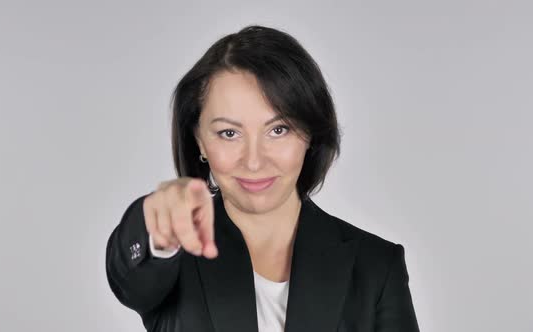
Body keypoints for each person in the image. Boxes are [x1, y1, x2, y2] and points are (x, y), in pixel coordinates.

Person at [105, 25, 420, 332]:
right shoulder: (174, 256)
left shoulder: (376, 266)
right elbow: (132, 278)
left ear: (309, 133)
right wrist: (156, 227)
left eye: (278, 130)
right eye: (229, 133)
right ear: (199, 139)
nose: (254, 161)